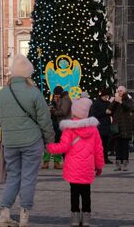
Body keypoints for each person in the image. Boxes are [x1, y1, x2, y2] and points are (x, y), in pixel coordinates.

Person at [0, 55, 54, 227]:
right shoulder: (34, 92)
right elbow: (45, 120)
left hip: (10, 142)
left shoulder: (2, 93)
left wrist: (11, 125)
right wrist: (50, 140)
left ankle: (4, 213)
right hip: (32, 141)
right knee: (28, 178)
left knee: (13, 177)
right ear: (28, 74)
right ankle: (24, 216)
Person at [48, 94, 104, 227]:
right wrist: (99, 165)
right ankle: (86, 218)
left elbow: (63, 147)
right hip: (87, 168)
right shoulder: (93, 130)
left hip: (73, 168)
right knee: (86, 193)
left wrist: (49, 147)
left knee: (74, 193)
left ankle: (74, 217)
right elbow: (98, 150)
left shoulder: (69, 129)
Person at [108, 85, 134, 171]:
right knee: (117, 146)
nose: (119, 92)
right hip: (116, 126)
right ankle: (118, 164)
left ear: (124, 92)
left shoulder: (128, 100)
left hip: (125, 126)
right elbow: (109, 110)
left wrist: (121, 102)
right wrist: (115, 102)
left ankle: (125, 164)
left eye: (121, 91)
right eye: (118, 90)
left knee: (124, 146)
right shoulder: (115, 100)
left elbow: (132, 108)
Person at [43, 86, 71, 169]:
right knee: (49, 141)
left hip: (60, 124)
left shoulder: (65, 99)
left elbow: (63, 112)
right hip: (54, 123)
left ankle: (56, 161)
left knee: (58, 142)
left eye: (57, 96)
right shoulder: (58, 100)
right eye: (55, 96)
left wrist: (53, 111)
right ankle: (46, 161)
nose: (56, 97)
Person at [89, 89, 113, 164]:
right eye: (105, 96)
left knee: (106, 144)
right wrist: (104, 112)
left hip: (107, 126)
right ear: (102, 96)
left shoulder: (108, 103)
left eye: (107, 96)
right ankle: (98, 159)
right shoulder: (96, 104)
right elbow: (93, 114)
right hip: (99, 127)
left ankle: (105, 158)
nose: (107, 98)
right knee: (99, 145)